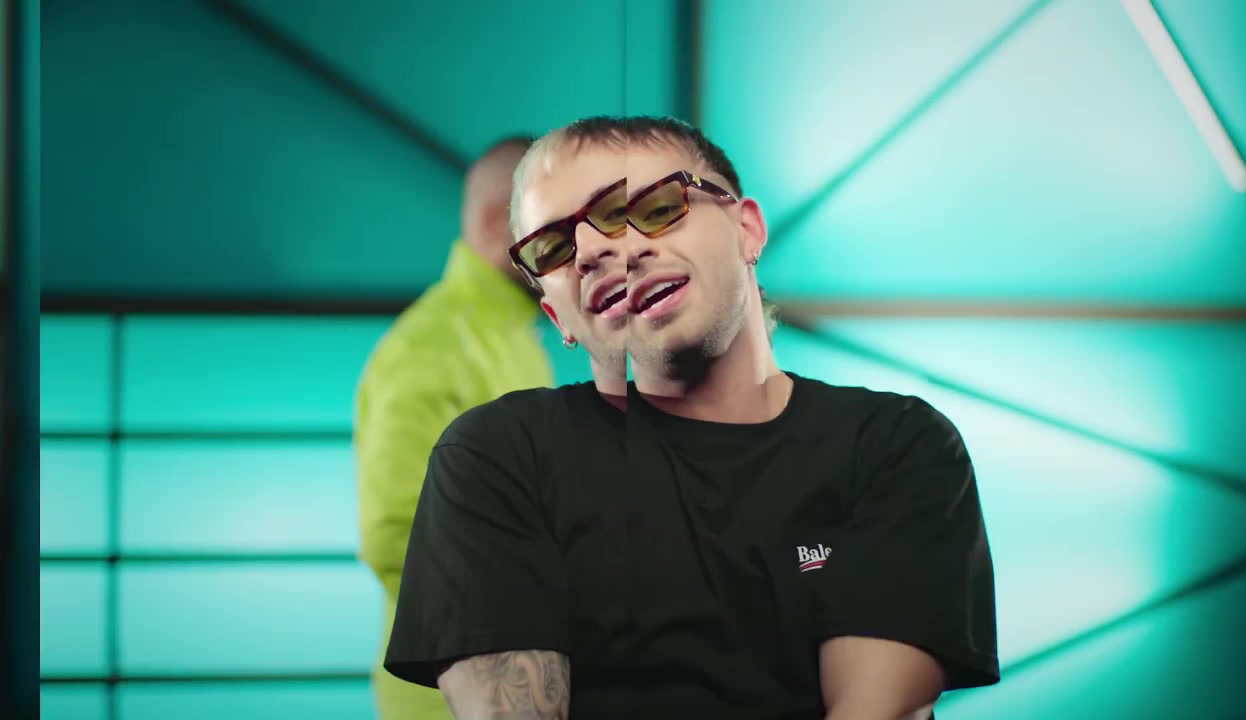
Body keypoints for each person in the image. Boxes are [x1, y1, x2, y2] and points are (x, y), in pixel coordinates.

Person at [384, 116, 999, 719]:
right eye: (554, 248)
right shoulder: (500, 457)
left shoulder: (893, 446)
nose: (593, 250)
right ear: (557, 317)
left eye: (645, 207)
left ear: (746, 229)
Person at [353, 136, 554, 720]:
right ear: (495, 223)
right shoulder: (436, 344)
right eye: (556, 226)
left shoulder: (516, 337)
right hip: (450, 696)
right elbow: (395, 532)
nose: (578, 246)